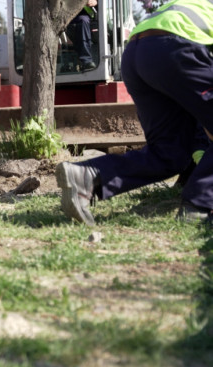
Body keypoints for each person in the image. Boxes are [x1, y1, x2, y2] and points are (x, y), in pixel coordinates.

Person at [57, 0, 213, 226]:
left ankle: (89, 176)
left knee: (169, 152)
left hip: (137, 54)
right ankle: (199, 207)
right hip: (176, 48)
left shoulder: (194, 6)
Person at [65, 0, 98, 72]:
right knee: (83, 21)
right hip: (69, 16)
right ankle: (86, 61)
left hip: (89, 17)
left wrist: (96, 2)